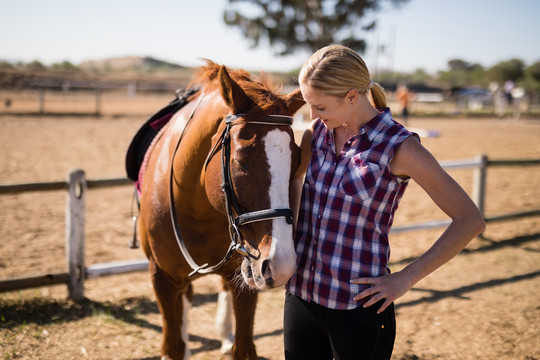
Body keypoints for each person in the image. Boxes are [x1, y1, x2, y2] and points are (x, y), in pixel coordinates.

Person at [284, 44, 486, 360]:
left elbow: (469, 220)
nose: (312, 115)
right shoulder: (316, 133)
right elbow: (297, 182)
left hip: (357, 307)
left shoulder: (400, 147)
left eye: (320, 106)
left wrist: (405, 279)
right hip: (300, 296)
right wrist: (285, 245)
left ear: (351, 96)